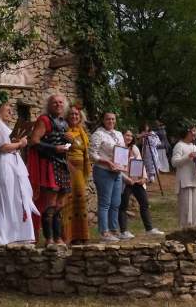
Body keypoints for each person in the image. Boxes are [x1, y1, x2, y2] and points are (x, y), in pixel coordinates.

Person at [0, 91, 40, 245]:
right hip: (3, 166)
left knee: (13, 199)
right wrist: (20, 144)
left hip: (9, 164)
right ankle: (2, 237)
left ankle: (16, 234)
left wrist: (17, 142)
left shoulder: (1, 125)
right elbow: (3, 147)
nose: (11, 111)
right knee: (4, 200)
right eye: (8, 107)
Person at [26, 94, 72, 245]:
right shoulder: (44, 120)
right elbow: (34, 141)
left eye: (60, 102)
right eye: (54, 102)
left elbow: (67, 144)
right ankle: (49, 239)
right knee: (50, 204)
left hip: (62, 165)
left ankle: (58, 238)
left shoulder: (64, 123)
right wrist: (54, 148)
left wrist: (70, 143)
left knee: (60, 205)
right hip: (50, 164)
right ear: (49, 105)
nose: (58, 104)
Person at [119, 130, 165, 239]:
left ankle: (149, 229)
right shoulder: (119, 149)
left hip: (137, 180)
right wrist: (126, 179)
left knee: (144, 203)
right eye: (127, 135)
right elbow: (118, 167)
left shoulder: (134, 148)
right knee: (123, 206)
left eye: (131, 136)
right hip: (125, 181)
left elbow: (140, 163)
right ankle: (123, 231)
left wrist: (144, 177)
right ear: (122, 136)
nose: (129, 137)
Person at [89, 112, 127, 242]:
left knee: (116, 203)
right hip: (103, 171)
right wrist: (107, 162)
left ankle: (114, 230)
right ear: (103, 120)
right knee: (105, 203)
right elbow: (92, 154)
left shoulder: (119, 134)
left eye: (113, 119)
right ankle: (104, 232)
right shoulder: (98, 134)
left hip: (117, 171)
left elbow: (122, 151)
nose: (110, 121)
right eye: (108, 119)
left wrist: (123, 164)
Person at [61, 105, 91, 245]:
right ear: (67, 116)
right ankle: (69, 236)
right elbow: (63, 150)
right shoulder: (65, 131)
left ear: (80, 117)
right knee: (67, 201)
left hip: (80, 172)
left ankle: (81, 235)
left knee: (80, 201)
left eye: (76, 115)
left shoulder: (82, 132)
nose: (74, 116)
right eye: (71, 114)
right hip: (68, 170)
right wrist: (68, 142)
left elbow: (85, 152)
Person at [171, 120, 196, 228]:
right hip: (184, 181)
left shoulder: (194, 146)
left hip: (194, 180)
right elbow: (174, 162)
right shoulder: (179, 145)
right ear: (186, 132)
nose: (195, 133)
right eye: (193, 131)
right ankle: (185, 230)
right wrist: (188, 156)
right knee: (186, 209)